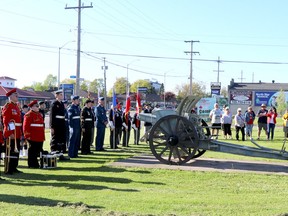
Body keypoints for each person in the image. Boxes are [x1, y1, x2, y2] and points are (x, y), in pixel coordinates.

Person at [2, 88, 22, 174]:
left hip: (17, 131)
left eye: (17, 95)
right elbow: (6, 121)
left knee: (16, 150)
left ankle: (14, 167)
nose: (17, 96)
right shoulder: (8, 106)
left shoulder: (16, 106)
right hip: (11, 131)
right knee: (10, 150)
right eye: (15, 95)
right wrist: (10, 132)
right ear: (10, 97)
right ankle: (8, 168)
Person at [23, 100, 45, 168]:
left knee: (38, 150)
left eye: (38, 106)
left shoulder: (39, 114)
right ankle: (32, 164)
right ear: (32, 107)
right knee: (32, 150)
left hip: (39, 136)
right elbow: (25, 126)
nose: (38, 107)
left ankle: (37, 163)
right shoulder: (28, 115)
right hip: (33, 136)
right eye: (37, 106)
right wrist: (27, 135)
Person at [49, 90, 69, 160]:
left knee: (61, 139)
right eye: (60, 94)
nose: (62, 96)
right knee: (55, 139)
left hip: (61, 124)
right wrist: (52, 126)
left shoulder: (61, 104)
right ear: (56, 95)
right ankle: (53, 153)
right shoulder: (54, 104)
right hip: (56, 124)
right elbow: (51, 116)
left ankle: (60, 154)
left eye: (62, 94)